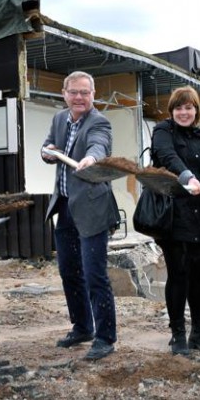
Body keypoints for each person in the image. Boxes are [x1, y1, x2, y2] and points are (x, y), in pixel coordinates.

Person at [41, 71, 120, 361]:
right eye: (74, 92)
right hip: (64, 206)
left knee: (94, 273)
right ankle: (82, 327)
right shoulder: (59, 119)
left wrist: (91, 158)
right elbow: (48, 145)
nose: (79, 97)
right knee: (68, 271)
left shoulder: (99, 122)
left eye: (85, 92)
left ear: (93, 94)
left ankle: (105, 337)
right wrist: (47, 153)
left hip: (92, 209)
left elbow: (99, 144)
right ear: (64, 93)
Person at [151, 86, 200, 356]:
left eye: (189, 107)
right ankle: (178, 334)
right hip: (174, 214)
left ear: (196, 110)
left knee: (198, 276)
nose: (184, 112)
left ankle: (199, 333)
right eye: (179, 108)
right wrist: (188, 177)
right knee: (178, 274)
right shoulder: (162, 131)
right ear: (172, 110)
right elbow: (168, 158)